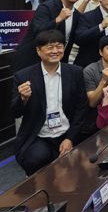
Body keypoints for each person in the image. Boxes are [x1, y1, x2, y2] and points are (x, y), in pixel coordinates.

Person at [12, 30, 88, 176]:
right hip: (40, 135)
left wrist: (70, 138)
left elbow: (81, 107)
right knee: (35, 158)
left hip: (67, 131)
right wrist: (23, 99)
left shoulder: (75, 72)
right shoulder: (23, 76)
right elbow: (15, 112)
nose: (55, 51)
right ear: (38, 50)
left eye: (59, 46)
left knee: (78, 167)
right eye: (49, 47)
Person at [14, 0, 85, 72]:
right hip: (31, 61)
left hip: (56, 63)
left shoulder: (76, 14)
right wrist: (58, 19)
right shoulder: (46, 7)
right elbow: (38, 31)